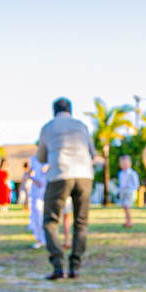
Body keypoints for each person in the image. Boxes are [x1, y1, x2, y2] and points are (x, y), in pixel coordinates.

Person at [36, 97, 95, 280]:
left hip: (60, 174)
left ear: (54, 111)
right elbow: (92, 153)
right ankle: (75, 267)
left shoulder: (48, 127)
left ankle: (58, 266)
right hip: (84, 175)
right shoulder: (81, 125)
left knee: (50, 221)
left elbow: (41, 157)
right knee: (81, 222)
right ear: (70, 110)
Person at [25, 157, 47, 248]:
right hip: (37, 190)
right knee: (38, 213)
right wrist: (35, 180)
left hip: (47, 189)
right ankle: (40, 239)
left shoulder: (51, 156)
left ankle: (47, 239)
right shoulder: (34, 159)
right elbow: (29, 174)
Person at [116, 155, 140, 228]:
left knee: (126, 206)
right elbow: (121, 184)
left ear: (130, 164)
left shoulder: (132, 173)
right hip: (122, 191)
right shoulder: (120, 173)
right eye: (122, 163)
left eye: (125, 163)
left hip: (129, 191)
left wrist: (131, 191)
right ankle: (127, 221)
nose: (124, 165)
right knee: (124, 206)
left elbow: (136, 184)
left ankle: (129, 222)